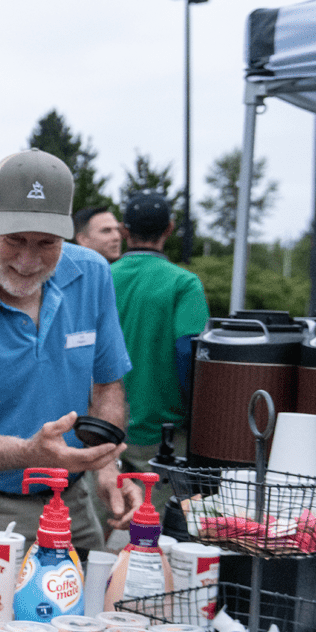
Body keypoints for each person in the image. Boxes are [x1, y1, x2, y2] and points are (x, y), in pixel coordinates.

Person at [0, 149, 143, 617]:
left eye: (46, 243)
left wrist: (105, 463)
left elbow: (108, 387)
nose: (30, 260)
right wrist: (30, 452)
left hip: (69, 497)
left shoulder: (91, 274)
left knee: (91, 631)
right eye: (14, 240)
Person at [110, 192, 209, 508]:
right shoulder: (184, 283)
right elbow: (189, 352)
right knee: (160, 537)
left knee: (87, 541)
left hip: (102, 431)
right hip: (161, 435)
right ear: (170, 228)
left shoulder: (101, 278)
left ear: (124, 231)